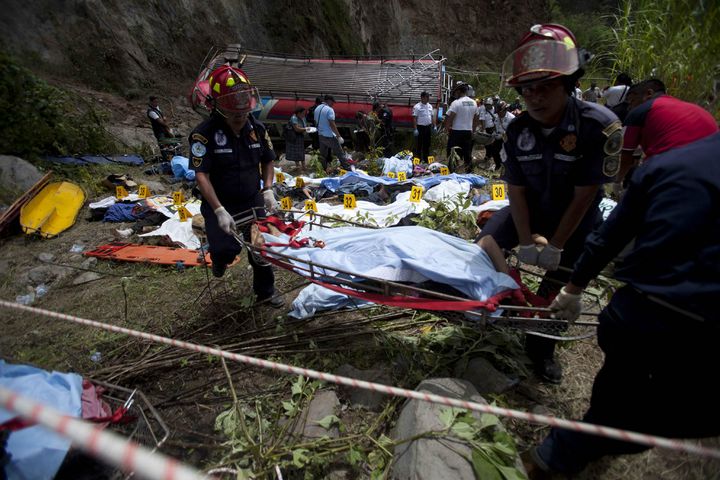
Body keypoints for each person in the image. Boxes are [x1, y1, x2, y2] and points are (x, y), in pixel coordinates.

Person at [524, 131, 720, 477]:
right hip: (681, 327)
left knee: (615, 402)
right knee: (638, 413)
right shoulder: (668, 165)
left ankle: (571, 450)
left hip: (634, 318)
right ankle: (565, 451)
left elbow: (608, 238)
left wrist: (574, 287)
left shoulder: (667, 165)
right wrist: (571, 287)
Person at [481, 23, 619, 383]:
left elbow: (585, 195)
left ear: (568, 84)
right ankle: (499, 307)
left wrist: (556, 245)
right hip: (529, 210)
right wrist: (526, 240)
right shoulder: (517, 130)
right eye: (527, 88)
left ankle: (541, 349)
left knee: (559, 290)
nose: (535, 97)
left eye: (545, 86)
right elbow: (516, 190)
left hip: (576, 220)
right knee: (483, 247)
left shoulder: (598, 126)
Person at [188, 65, 283, 308]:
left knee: (261, 249)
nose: (240, 118)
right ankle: (219, 258)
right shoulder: (204, 135)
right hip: (220, 201)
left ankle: (266, 292)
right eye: (234, 114)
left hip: (252, 198)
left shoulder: (257, 129)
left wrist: (268, 189)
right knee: (225, 249)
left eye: (243, 112)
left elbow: (268, 160)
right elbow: (201, 175)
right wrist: (219, 209)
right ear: (217, 107)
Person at [616, 78, 719, 183]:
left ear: (649, 94)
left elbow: (625, 158)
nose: (629, 107)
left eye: (632, 101)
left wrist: (616, 181)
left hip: (675, 170)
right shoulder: (691, 108)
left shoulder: (640, 111)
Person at [444, 84, 479, 169]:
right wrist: (473, 130)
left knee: (453, 152)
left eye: (456, 92)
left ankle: (452, 170)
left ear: (459, 91)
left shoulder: (456, 103)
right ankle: (469, 171)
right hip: (468, 131)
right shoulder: (474, 102)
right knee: (467, 153)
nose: (455, 94)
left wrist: (446, 129)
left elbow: (450, 117)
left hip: (456, 132)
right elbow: (476, 118)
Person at [314, 95, 353, 171]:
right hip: (329, 135)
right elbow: (332, 124)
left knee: (323, 155)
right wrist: (339, 136)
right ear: (329, 100)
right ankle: (348, 169)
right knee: (340, 153)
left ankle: (323, 169)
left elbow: (315, 122)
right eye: (332, 102)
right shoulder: (329, 109)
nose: (333, 104)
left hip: (320, 135)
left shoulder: (317, 109)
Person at [412, 91, 436, 162]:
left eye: (428, 97)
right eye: (427, 97)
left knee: (427, 144)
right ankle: (418, 159)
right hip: (420, 128)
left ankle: (426, 159)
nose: (428, 98)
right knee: (419, 144)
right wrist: (415, 129)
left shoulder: (430, 106)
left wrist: (434, 126)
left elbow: (432, 117)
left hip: (428, 127)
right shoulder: (417, 107)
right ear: (422, 97)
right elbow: (414, 118)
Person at [479, 98, 503, 170]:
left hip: (494, 129)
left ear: (491, 104)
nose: (487, 106)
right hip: (487, 129)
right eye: (486, 105)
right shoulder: (483, 110)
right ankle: (488, 155)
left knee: (494, 144)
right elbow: (482, 120)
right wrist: (483, 130)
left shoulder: (495, 109)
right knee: (487, 144)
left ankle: (493, 157)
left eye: (488, 105)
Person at [285, 106, 309, 171]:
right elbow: (297, 129)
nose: (304, 114)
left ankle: (303, 166)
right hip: (294, 137)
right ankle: (298, 166)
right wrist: (306, 129)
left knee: (301, 151)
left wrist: (306, 129)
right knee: (296, 152)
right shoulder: (294, 118)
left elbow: (304, 126)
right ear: (298, 113)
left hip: (300, 136)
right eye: (303, 113)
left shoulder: (303, 117)